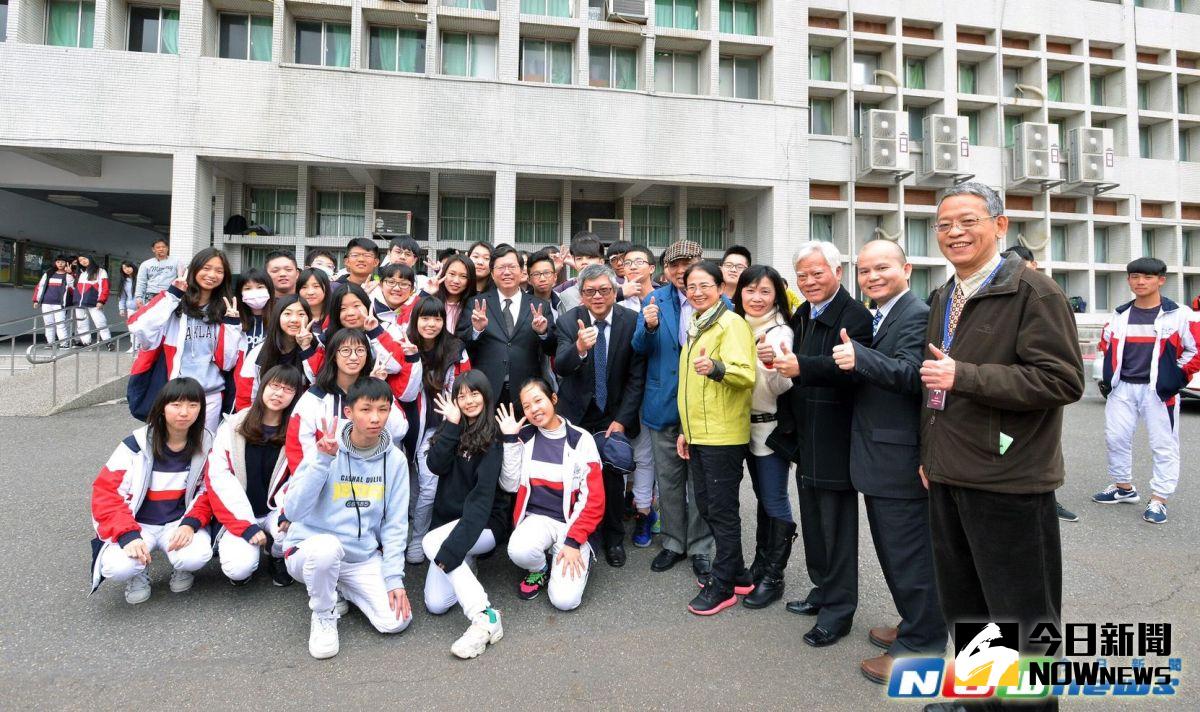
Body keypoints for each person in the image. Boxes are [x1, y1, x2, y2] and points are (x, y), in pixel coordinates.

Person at [918, 183, 1084, 712]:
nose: (954, 233)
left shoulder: (1035, 292)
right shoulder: (946, 294)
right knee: (966, 606)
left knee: (1020, 617)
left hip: (1010, 479)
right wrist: (930, 454)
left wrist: (964, 375)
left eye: (967, 221)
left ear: (1000, 225)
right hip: (950, 472)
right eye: (944, 225)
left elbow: (1060, 381)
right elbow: (934, 384)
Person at [830, 240, 944, 684]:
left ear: (907, 268)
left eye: (882, 268)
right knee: (896, 554)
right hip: (879, 456)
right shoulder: (881, 314)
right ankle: (914, 623)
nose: (872, 277)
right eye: (864, 271)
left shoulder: (915, 314)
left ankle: (922, 645)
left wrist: (862, 358)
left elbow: (911, 375)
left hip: (899, 458)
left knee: (909, 555)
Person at [772, 241, 872, 648]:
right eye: (803, 275)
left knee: (836, 527)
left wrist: (802, 366)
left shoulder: (855, 316)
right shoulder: (803, 313)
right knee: (813, 521)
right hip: (806, 434)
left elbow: (854, 370)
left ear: (838, 272)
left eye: (818, 273)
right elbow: (793, 362)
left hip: (836, 435)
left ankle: (839, 610)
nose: (810, 281)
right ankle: (822, 588)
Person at [283, 377, 413, 660]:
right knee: (326, 549)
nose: (375, 418)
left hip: (359, 557)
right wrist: (322, 462)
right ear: (349, 412)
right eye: (366, 409)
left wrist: (394, 579)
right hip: (309, 549)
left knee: (397, 621)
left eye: (382, 409)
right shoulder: (326, 447)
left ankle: (338, 586)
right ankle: (323, 613)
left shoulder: (395, 461)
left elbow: (395, 524)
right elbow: (292, 511)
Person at [673, 260, 757, 615]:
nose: (697, 292)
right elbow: (692, 388)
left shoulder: (730, 323)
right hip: (700, 433)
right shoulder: (697, 324)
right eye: (691, 287)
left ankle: (723, 585)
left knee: (721, 511)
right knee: (708, 506)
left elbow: (745, 374)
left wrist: (718, 368)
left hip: (723, 435)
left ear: (721, 288)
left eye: (705, 285)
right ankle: (737, 572)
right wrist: (685, 432)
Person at [89, 377, 215, 603]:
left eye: (192, 405)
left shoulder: (207, 444)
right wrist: (128, 535)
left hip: (178, 522)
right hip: (138, 523)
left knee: (197, 555)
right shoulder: (134, 445)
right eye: (176, 405)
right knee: (117, 567)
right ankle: (138, 573)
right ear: (162, 408)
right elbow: (106, 493)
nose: (184, 412)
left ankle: (182, 567)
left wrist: (190, 524)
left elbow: (209, 491)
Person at [632, 239, 715, 578]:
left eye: (688, 263)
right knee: (667, 481)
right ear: (665, 270)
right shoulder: (654, 299)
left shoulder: (719, 302)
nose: (681, 271)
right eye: (674, 265)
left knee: (700, 482)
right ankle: (672, 542)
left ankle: (700, 546)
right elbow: (639, 346)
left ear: (700, 263)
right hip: (662, 403)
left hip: (704, 408)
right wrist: (649, 326)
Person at [1094, 257, 1199, 524]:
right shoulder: (1120, 314)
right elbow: (1106, 344)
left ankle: (1159, 499)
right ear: (1128, 279)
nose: (1140, 282)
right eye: (1135, 276)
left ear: (1161, 280)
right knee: (1115, 438)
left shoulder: (1180, 314)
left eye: (1148, 277)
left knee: (1163, 445)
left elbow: (1195, 349)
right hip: (1122, 389)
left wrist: (1174, 377)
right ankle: (1123, 488)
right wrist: (1109, 376)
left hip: (1158, 391)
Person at [554, 264, 646, 567]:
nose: (598, 296)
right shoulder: (569, 320)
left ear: (614, 291)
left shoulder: (630, 320)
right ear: (581, 294)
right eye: (590, 291)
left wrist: (622, 419)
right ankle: (579, 534)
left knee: (612, 479)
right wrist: (579, 347)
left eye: (604, 290)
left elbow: (636, 376)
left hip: (613, 414)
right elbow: (561, 367)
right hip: (576, 414)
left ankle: (614, 538)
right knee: (576, 477)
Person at [422, 372, 509, 659]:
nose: (468, 400)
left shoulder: (494, 437)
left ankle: (485, 616)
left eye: (474, 394)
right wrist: (451, 425)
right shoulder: (453, 427)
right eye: (461, 395)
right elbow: (435, 465)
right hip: (449, 524)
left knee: (433, 545)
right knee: (436, 603)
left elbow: (481, 502)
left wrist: (452, 549)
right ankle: (465, 562)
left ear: (485, 395)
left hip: (483, 526)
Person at [498, 379, 604, 611]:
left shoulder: (581, 439)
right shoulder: (523, 437)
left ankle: (576, 557)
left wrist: (574, 542)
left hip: (572, 523)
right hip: (537, 519)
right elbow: (509, 485)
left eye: (538, 400)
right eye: (527, 406)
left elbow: (594, 499)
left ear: (553, 399)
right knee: (518, 550)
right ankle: (540, 569)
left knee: (564, 601)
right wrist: (508, 440)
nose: (534, 409)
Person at [204, 365, 307, 586]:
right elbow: (217, 478)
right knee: (238, 569)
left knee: (292, 534)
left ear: (295, 396)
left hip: (274, 511)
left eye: (288, 389)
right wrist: (245, 526)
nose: (279, 393)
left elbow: (300, 477)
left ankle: (275, 554)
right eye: (274, 386)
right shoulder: (233, 425)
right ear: (262, 387)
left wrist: (286, 513)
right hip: (240, 511)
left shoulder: (297, 430)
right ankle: (248, 550)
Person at [730, 264, 795, 610]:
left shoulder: (779, 332)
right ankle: (761, 562)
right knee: (760, 498)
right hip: (740, 425)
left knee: (773, 499)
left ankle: (775, 576)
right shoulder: (735, 325)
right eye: (750, 290)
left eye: (765, 291)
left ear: (776, 296)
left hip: (769, 429)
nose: (756, 298)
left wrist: (771, 365)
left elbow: (784, 386)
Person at [1001, 245, 1080, 524]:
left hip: (1031, 401)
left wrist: (965, 375)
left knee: (1039, 447)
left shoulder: (1044, 295)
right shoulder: (1000, 298)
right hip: (1003, 408)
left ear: (1033, 264)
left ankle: (1049, 499)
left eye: (1022, 265)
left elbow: (1061, 378)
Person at [127, 247, 242, 433]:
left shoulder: (225, 311)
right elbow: (138, 327)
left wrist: (232, 324)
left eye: (219, 271)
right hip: (175, 396)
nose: (212, 274)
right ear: (194, 269)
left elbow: (227, 363)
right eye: (206, 268)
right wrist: (173, 294)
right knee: (170, 451)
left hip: (210, 396)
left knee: (205, 453)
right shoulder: (173, 306)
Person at [400, 296, 472, 563]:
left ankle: (419, 535)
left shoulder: (455, 348)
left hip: (438, 427)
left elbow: (466, 385)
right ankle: (407, 531)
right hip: (405, 426)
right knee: (410, 485)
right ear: (415, 319)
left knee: (429, 485)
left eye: (437, 317)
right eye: (425, 317)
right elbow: (401, 390)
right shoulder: (403, 344)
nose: (431, 324)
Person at [285, 327, 411, 473]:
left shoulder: (376, 389)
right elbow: (297, 447)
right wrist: (311, 482)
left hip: (369, 480)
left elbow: (398, 431)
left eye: (360, 350)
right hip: (324, 481)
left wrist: (378, 390)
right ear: (333, 355)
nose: (353, 357)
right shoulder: (315, 396)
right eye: (345, 350)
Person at [456, 244, 556, 414]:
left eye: (512, 267)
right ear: (492, 273)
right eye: (501, 267)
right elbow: (460, 344)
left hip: (526, 391)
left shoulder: (539, 306)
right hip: (486, 389)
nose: (507, 272)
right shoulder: (476, 303)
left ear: (522, 271)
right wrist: (476, 330)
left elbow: (552, 347)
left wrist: (543, 332)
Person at [234, 295, 320, 411]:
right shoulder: (259, 352)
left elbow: (320, 383)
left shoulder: (318, 346)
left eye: (301, 314)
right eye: (287, 314)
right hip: (266, 416)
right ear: (277, 317)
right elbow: (245, 397)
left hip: (304, 417)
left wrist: (306, 348)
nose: (294, 320)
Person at [555, 232, 606, 313]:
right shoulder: (567, 295)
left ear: (601, 261)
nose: (584, 262)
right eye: (579, 258)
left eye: (590, 257)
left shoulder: (615, 290)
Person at [32, 254, 75, 345]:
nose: (60, 264)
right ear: (55, 263)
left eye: (62, 262)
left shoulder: (68, 275)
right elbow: (40, 286)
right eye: (58, 262)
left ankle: (64, 344)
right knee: (48, 324)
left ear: (66, 263)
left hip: (60, 304)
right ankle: (50, 343)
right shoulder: (49, 273)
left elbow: (73, 287)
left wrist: (70, 274)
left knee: (61, 324)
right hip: (46, 303)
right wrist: (36, 300)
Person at [428, 253, 477, 331]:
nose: (456, 281)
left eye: (463, 276)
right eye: (452, 274)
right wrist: (428, 295)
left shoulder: (474, 307)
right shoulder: (430, 298)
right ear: (444, 273)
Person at [74, 255, 112, 347]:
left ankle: (108, 341)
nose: (83, 261)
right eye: (80, 260)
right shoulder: (80, 272)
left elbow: (104, 287)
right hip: (79, 302)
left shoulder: (100, 271)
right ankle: (86, 342)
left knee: (100, 321)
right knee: (81, 323)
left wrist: (101, 300)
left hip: (94, 302)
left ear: (90, 258)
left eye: (84, 258)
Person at [235, 268, 275, 353]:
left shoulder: (279, 317)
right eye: (248, 288)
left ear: (269, 289)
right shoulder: (235, 320)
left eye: (260, 287)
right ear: (240, 293)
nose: (254, 292)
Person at [374, 263, 421, 331]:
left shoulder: (419, 311)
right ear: (381, 285)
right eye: (391, 282)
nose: (396, 288)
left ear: (412, 289)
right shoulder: (369, 307)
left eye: (404, 284)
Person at [135, 237, 179, 308]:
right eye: (158, 247)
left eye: (163, 247)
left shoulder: (176, 262)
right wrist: (138, 297)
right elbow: (141, 281)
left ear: (167, 248)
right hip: (151, 295)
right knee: (151, 317)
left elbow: (181, 279)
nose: (161, 249)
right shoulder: (146, 264)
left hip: (169, 295)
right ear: (153, 249)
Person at [525, 250, 563, 319]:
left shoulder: (563, 300)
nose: (542, 279)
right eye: (536, 274)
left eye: (547, 273)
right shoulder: (521, 301)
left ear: (555, 277)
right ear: (529, 280)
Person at [297, 267, 332, 332]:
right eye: (304, 287)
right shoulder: (294, 318)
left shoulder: (336, 315)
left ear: (326, 288)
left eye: (316, 286)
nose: (310, 292)